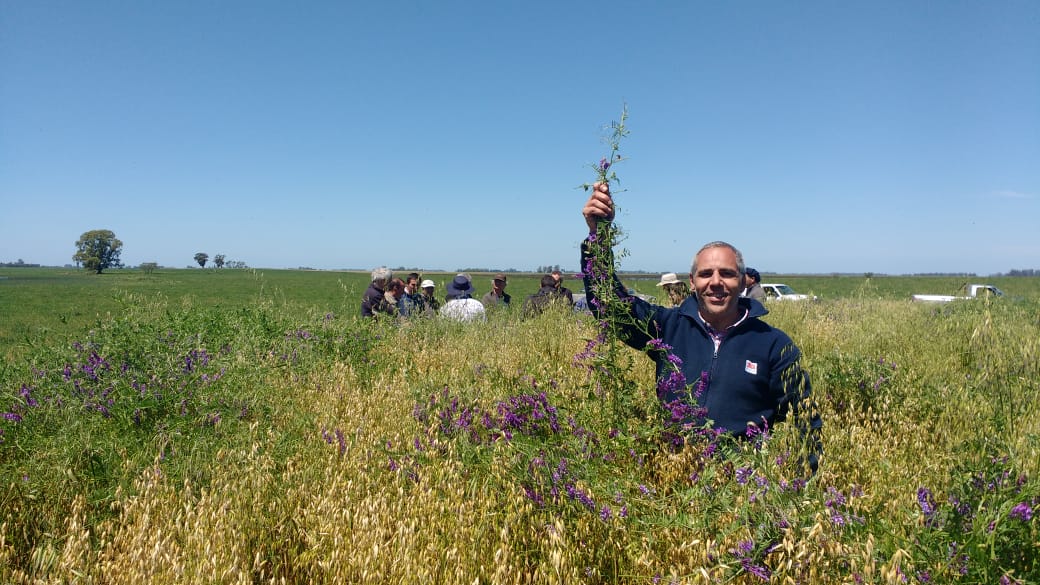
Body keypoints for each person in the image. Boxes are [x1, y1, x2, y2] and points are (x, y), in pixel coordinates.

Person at [581, 182, 821, 471]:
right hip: (673, 479)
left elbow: (805, 420)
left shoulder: (773, 345)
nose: (716, 282)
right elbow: (610, 306)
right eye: (706, 274)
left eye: (727, 274)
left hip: (741, 489)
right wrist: (598, 234)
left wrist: (795, 488)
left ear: (743, 281)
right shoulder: (667, 328)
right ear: (692, 282)